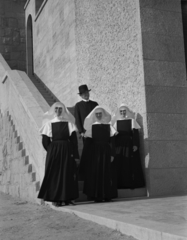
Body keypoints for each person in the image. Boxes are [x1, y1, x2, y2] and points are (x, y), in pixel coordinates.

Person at [38, 102, 79, 206]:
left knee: (67, 174)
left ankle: (67, 198)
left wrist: (75, 154)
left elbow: (74, 141)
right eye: (56, 109)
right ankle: (56, 199)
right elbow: (45, 141)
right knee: (55, 175)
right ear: (53, 111)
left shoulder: (69, 124)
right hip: (54, 153)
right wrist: (52, 151)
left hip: (67, 151)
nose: (58, 111)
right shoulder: (48, 124)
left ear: (63, 110)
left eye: (60, 109)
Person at [82, 106, 118, 202]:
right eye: (97, 114)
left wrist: (112, 154)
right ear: (94, 115)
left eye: (100, 114)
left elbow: (112, 143)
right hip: (95, 154)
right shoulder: (91, 127)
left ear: (103, 114)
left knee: (106, 174)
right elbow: (88, 144)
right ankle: (96, 196)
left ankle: (107, 195)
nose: (98, 115)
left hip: (106, 152)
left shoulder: (109, 126)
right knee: (96, 173)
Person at [111, 104, 145, 189]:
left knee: (129, 164)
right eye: (121, 111)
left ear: (127, 111)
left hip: (129, 145)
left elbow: (135, 134)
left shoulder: (132, 121)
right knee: (120, 163)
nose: (122, 113)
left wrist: (135, 144)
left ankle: (130, 183)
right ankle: (120, 184)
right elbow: (113, 135)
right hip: (119, 146)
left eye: (124, 111)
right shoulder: (116, 122)